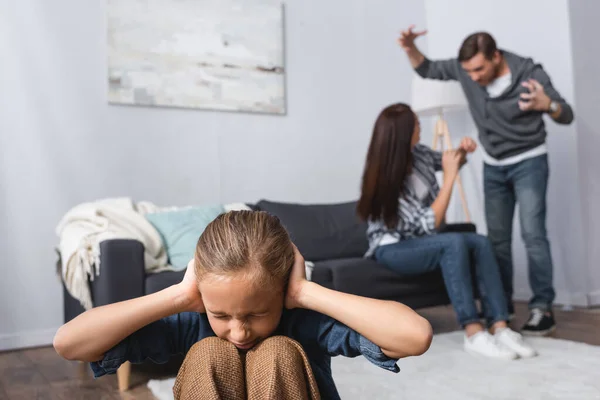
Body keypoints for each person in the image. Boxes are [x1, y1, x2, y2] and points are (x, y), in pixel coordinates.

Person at [53, 210, 433, 400]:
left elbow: (414, 336)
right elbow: (69, 344)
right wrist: (176, 297)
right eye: (221, 314)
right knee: (209, 354)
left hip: (292, 347)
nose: (238, 331)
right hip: (202, 323)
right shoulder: (193, 318)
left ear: (282, 292)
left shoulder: (302, 319)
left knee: (278, 352)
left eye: (256, 313)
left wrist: (305, 293)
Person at [398, 28, 575, 336]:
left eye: (479, 69)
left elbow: (566, 115)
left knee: (533, 235)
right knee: (497, 242)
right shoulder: (465, 71)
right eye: (468, 71)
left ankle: (541, 308)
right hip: (494, 165)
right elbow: (426, 68)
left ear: (496, 57)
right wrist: (410, 47)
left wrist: (548, 105)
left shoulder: (529, 73)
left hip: (529, 160)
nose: (474, 77)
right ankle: (500, 308)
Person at [357, 103, 536, 359]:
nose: (420, 126)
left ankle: (500, 326)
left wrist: (462, 151)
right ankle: (473, 332)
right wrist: (450, 178)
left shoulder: (418, 154)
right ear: (405, 132)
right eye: (416, 124)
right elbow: (430, 223)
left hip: (420, 242)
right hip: (392, 249)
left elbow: (448, 159)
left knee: (480, 242)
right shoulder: (386, 177)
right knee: (453, 243)